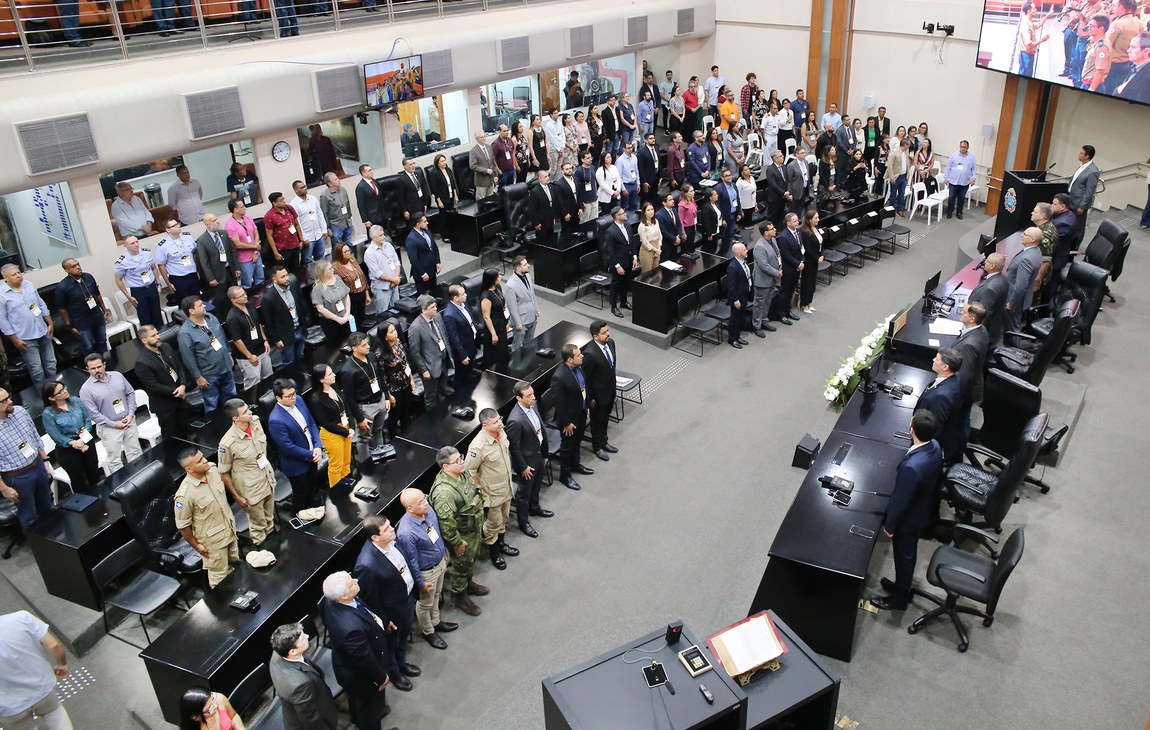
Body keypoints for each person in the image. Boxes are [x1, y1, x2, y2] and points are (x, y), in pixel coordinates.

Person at [870, 409, 944, 612]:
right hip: (923, 508)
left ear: (911, 429)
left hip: (908, 520)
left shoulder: (911, 467)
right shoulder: (935, 447)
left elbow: (901, 500)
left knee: (904, 557)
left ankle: (899, 598)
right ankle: (900, 586)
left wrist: (890, 525)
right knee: (906, 556)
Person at [353, 516, 421, 692]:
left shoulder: (393, 540)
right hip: (391, 613)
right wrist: (384, 619)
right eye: (387, 529)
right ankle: (394, 672)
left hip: (407, 599)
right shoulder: (367, 565)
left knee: (404, 636)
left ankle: (402, 662)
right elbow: (369, 598)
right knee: (391, 645)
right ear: (375, 538)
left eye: (390, 525)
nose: (392, 529)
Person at [320, 571, 392, 730]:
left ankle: (358, 718)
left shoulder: (331, 601)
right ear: (343, 597)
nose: (356, 580)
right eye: (351, 583)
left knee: (357, 703)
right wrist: (381, 678)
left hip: (346, 665)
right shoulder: (350, 628)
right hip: (362, 677)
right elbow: (364, 659)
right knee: (371, 713)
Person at [428, 446, 489, 616]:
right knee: (461, 565)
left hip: (473, 527)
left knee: (471, 560)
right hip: (461, 536)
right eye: (457, 461)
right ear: (445, 467)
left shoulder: (462, 473)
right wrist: (457, 542)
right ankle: (459, 596)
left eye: (461, 458)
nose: (461, 462)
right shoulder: (444, 492)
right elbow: (446, 523)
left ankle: (469, 584)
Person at [394, 487, 457, 648]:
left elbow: (437, 533)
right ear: (410, 508)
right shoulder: (407, 532)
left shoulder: (428, 512)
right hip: (426, 572)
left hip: (440, 562)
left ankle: (436, 621)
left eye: (424, 498)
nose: (426, 502)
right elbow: (412, 561)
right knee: (425, 603)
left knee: (437, 594)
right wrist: (420, 583)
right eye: (421, 502)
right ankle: (428, 631)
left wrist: (444, 551)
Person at [174, 447, 240, 589]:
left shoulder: (212, 470)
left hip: (229, 528)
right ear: (189, 469)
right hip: (213, 541)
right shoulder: (184, 495)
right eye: (199, 461)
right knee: (219, 578)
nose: (205, 461)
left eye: (203, 457)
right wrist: (197, 546)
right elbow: (183, 526)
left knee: (235, 566)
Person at [217, 398, 276, 547]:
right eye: (245, 412)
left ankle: (273, 545)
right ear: (235, 418)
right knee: (258, 525)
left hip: (267, 477)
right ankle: (261, 548)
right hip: (250, 488)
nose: (250, 412)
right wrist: (237, 497)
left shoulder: (255, 422)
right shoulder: (227, 443)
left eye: (248, 409)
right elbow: (224, 474)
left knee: (270, 517)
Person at [464, 409, 519, 570]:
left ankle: (501, 543)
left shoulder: (501, 433)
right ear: (485, 425)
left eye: (500, 419)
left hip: (506, 486)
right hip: (492, 493)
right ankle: (494, 551)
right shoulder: (478, 446)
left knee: (504, 517)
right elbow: (469, 471)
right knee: (493, 524)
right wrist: (481, 490)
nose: (500, 423)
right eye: (495, 422)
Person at [0, 610, 73, 729]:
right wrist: (62, 664)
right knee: (55, 714)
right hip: (42, 689)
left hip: (9, 707)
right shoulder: (21, 617)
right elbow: (54, 646)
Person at [267, 378, 326, 522]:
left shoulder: (299, 400)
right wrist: (310, 454)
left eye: (294, 393)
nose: (293, 397)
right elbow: (287, 447)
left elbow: (311, 423)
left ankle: (312, 515)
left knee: (313, 488)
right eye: (289, 396)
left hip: (313, 454)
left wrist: (318, 445)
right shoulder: (275, 419)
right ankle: (297, 520)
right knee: (301, 494)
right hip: (297, 463)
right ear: (278, 398)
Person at [504, 381, 552, 540]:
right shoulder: (515, 420)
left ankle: (535, 508)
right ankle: (523, 522)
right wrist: (523, 467)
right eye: (529, 395)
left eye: (533, 393)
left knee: (537, 486)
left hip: (538, 455)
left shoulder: (533, 405)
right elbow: (514, 448)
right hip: (526, 464)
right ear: (519, 398)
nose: (533, 397)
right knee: (523, 494)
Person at [79, 353, 142, 473]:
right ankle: (123, 487)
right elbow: (93, 414)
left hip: (128, 420)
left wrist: (130, 414)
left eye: (99, 366)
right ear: (87, 369)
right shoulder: (86, 389)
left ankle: (140, 475)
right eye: (93, 368)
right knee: (115, 460)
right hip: (109, 428)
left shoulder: (117, 376)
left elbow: (130, 393)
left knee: (135, 451)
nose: (97, 370)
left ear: (104, 364)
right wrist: (115, 424)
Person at [0, 389, 54, 529]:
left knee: (47, 507)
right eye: (4, 400)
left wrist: (46, 460)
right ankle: (39, 546)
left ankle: (55, 542)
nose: (10, 401)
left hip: (38, 465)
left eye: (9, 397)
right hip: (17, 477)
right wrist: (4, 488)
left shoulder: (19, 411)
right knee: (29, 516)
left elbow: (35, 436)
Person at [268, 623, 339, 730]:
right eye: (302, 639)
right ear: (292, 651)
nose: (307, 636)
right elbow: (310, 719)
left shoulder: (278, 652)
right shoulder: (300, 684)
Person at [341, 331, 395, 463]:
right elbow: (349, 398)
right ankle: (366, 465)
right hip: (365, 407)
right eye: (363, 345)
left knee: (379, 431)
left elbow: (380, 377)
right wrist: (360, 419)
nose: (368, 346)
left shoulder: (371, 356)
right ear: (354, 348)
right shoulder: (348, 370)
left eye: (367, 343)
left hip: (380, 399)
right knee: (364, 439)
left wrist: (386, 396)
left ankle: (381, 459)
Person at [177, 296, 236, 416]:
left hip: (226, 366)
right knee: (212, 405)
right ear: (191, 311)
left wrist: (229, 353)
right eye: (200, 305)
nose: (204, 306)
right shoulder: (185, 333)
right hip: (209, 375)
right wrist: (198, 377)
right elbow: (188, 358)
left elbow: (222, 337)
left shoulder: (211, 318)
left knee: (232, 400)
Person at [0, 264, 57, 389]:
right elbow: (2, 321)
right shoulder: (2, 295)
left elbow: (41, 304)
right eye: (14, 274)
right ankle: (44, 394)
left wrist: (50, 323)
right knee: (37, 369)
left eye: (19, 272)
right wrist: (15, 340)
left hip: (43, 331)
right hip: (25, 337)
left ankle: (55, 389)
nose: (18, 276)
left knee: (51, 364)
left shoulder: (28, 285)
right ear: (5, 277)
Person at [41, 381, 100, 494]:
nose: (65, 391)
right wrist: (74, 442)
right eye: (60, 391)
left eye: (64, 387)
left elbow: (87, 420)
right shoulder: (48, 414)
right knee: (78, 480)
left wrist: (82, 439)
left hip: (86, 440)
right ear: (52, 398)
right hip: (68, 451)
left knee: (94, 474)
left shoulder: (76, 401)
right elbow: (57, 436)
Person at [133, 324, 191, 438]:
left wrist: (183, 385)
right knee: (171, 437)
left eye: (157, 334)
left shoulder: (166, 347)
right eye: (153, 335)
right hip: (165, 406)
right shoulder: (142, 362)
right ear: (144, 340)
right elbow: (153, 386)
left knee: (186, 431)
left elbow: (179, 367)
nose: (158, 337)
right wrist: (176, 392)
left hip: (181, 399)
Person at [552, 343, 594, 490]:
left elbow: (584, 387)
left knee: (577, 443)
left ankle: (576, 465)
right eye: (578, 355)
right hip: (569, 421)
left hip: (581, 413)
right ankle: (565, 475)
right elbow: (559, 404)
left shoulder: (579, 368)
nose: (582, 356)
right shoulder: (559, 377)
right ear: (570, 359)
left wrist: (586, 406)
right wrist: (566, 423)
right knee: (567, 447)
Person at [951, 302, 990, 453]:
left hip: (965, 392)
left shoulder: (968, 345)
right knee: (963, 420)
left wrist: (954, 399)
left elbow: (963, 376)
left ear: (972, 318)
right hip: (975, 385)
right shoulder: (981, 330)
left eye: (964, 312)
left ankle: (955, 455)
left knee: (958, 423)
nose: (961, 312)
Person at [916, 348, 965, 464]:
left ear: (945, 367)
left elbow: (935, 427)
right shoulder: (956, 377)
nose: (933, 360)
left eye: (937, 359)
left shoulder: (941, 397)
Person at [308, 364, 354, 488]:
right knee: (336, 466)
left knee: (346, 462)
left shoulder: (334, 386)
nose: (334, 375)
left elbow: (345, 405)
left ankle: (347, 486)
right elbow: (326, 424)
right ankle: (337, 492)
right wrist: (345, 432)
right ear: (321, 380)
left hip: (345, 428)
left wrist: (350, 425)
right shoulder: (316, 399)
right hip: (332, 434)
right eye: (329, 374)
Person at [223, 287, 272, 401]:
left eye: (244, 293)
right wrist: (249, 356)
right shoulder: (232, 317)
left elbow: (258, 324)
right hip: (248, 356)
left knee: (269, 376)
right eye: (241, 295)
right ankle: (252, 403)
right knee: (253, 381)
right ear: (233, 300)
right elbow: (237, 340)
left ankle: (270, 399)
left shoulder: (250, 305)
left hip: (261, 348)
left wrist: (265, 340)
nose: (245, 296)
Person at [580, 320, 620, 460]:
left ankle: (605, 441)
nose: (607, 334)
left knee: (605, 419)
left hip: (610, 391)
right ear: (595, 336)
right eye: (604, 333)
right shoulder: (589, 354)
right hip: (597, 396)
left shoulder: (611, 343)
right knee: (597, 422)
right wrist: (590, 398)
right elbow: (587, 379)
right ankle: (598, 447)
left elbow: (611, 368)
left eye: (607, 331)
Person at [56, 258, 110, 357]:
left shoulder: (88, 277)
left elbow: (97, 294)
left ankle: (105, 365)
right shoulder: (63, 287)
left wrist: (104, 309)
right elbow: (62, 309)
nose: (78, 267)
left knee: (102, 342)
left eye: (78, 264)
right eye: (73, 266)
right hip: (81, 322)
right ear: (67, 270)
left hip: (97, 316)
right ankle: (91, 368)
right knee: (88, 346)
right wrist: (70, 326)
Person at [407, 295, 455, 408]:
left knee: (443, 391)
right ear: (424, 310)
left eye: (435, 306)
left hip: (443, 361)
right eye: (432, 307)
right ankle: (434, 421)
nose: (435, 309)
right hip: (429, 367)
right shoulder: (415, 327)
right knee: (431, 397)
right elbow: (415, 352)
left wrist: (449, 356)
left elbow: (444, 337)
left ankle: (444, 415)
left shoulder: (437, 317)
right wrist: (423, 370)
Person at [261, 265, 311, 366]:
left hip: (300, 329)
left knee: (301, 356)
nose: (287, 278)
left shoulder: (293, 283)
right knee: (289, 362)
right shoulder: (268, 298)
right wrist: (276, 340)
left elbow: (301, 302)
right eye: (282, 277)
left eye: (287, 275)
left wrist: (305, 321)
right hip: (285, 337)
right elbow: (268, 322)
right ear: (274, 279)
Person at [114, 236, 163, 329]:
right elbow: (118, 280)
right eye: (132, 243)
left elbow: (154, 268)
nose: (136, 245)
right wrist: (128, 296)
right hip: (138, 291)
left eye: (137, 242)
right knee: (145, 319)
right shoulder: (122, 261)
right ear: (125, 245)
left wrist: (158, 284)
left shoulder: (147, 253)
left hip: (152, 287)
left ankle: (161, 336)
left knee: (157, 315)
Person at [194, 213, 240, 315]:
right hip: (217, 276)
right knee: (222, 300)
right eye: (214, 220)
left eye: (216, 219)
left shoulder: (223, 233)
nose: (217, 221)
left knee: (235, 295)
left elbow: (232, 251)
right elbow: (204, 262)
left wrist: (237, 267)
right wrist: (210, 278)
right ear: (207, 224)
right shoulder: (202, 240)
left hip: (230, 270)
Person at [378, 320, 417, 434]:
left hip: (406, 383)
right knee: (395, 415)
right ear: (385, 337)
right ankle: (394, 438)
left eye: (395, 330)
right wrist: (388, 395)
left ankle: (408, 435)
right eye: (391, 332)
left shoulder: (398, 343)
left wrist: (411, 378)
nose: (395, 333)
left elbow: (405, 362)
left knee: (407, 411)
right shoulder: (380, 354)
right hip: (393, 389)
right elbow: (382, 376)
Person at [1005, 227, 1044, 337]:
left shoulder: (1026, 259)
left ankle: (1014, 352)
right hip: (1022, 298)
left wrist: (1011, 304)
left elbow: (1020, 286)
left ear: (1032, 240)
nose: (1022, 235)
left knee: (1012, 329)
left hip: (1014, 300)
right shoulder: (1036, 251)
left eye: (1025, 234)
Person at [156, 219, 202, 303]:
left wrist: (199, 271)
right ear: (168, 229)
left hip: (192, 275)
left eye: (178, 224)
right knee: (184, 303)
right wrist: (168, 283)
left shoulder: (188, 237)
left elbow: (195, 254)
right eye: (174, 225)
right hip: (178, 278)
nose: (178, 226)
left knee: (197, 302)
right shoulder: (163, 245)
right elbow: (161, 265)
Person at [442, 284, 479, 386]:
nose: (466, 295)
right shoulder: (449, 315)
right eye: (463, 294)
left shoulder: (463, 304)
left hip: (471, 343)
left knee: (470, 372)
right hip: (463, 351)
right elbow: (454, 338)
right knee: (461, 376)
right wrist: (463, 356)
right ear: (455, 298)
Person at [969, 252, 1010, 344]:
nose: (984, 263)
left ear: (992, 266)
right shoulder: (1003, 279)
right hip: (996, 325)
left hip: (987, 333)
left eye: (986, 262)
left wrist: (973, 333)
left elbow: (984, 315)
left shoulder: (989, 289)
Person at [310, 260, 353, 344]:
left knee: (349, 341)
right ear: (323, 272)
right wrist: (338, 319)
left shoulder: (337, 278)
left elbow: (346, 295)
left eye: (332, 267)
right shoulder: (317, 288)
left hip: (345, 317)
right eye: (330, 269)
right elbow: (320, 309)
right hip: (330, 322)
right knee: (336, 345)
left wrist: (347, 313)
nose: (333, 269)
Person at [771, 213, 804, 324]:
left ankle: (787, 310)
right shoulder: (783, 237)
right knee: (784, 292)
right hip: (789, 268)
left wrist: (802, 261)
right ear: (788, 223)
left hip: (797, 267)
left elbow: (801, 248)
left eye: (797, 220)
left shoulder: (798, 232)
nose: (797, 222)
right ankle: (781, 314)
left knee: (791, 291)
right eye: (794, 221)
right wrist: (798, 264)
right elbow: (786, 254)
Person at [605, 206, 637, 319]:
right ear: (617, 216)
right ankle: (613, 306)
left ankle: (624, 302)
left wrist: (634, 257)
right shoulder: (610, 231)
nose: (626, 214)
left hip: (628, 260)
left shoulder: (627, 226)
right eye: (623, 213)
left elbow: (632, 243)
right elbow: (610, 252)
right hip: (618, 262)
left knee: (625, 282)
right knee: (615, 284)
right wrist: (617, 266)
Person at [225, 200, 264, 292]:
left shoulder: (248, 218)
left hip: (256, 255)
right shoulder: (230, 225)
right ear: (236, 210)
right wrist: (255, 247)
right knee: (247, 284)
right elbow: (237, 244)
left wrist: (255, 251)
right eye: (242, 206)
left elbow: (256, 233)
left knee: (261, 280)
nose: (244, 208)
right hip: (244, 260)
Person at [504, 255, 541, 353]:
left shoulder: (527, 276)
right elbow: (512, 307)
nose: (528, 265)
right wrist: (518, 323)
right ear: (518, 268)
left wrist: (536, 309)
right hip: (522, 321)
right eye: (525, 264)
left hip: (532, 316)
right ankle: (514, 364)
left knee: (529, 343)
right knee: (517, 345)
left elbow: (532, 294)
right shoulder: (510, 285)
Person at [751, 221, 782, 334]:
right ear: (765, 232)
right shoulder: (759, 246)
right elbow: (764, 266)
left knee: (768, 301)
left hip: (772, 278)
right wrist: (777, 273)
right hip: (763, 280)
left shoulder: (773, 240)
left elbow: (778, 255)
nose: (775, 229)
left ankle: (764, 320)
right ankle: (756, 326)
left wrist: (779, 269)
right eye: (772, 228)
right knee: (759, 304)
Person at [290, 180, 329, 269]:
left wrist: (324, 230)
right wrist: (303, 238)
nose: (305, 189)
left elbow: (320, 215)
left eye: (305, 186)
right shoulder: (294, 205)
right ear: (296, 190)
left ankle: (322, 277)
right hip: (308, 237)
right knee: (307, 261)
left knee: (321, 258)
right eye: (301, 188)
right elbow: (297, 223)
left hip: (318, 235)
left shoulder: (313, 199)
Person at [478, 269, 511, 372]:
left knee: (503, 350)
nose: (500, 278)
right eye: (498, 276)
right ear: (492, 279)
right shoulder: (486, 296)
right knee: (495, 354)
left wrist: (506, 322)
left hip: (501, 324)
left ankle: (502, 370)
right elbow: (486, 317)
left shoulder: (498, 288)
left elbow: (502, 306)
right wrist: (493, 334)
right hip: (493, 328)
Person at [331, 242, 370, 330]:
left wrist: (367, 293)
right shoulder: (335, 268)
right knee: (354, 323)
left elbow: (362, 277)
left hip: (362, 294)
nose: (348, 253)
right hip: (350, 298)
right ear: (339, 254)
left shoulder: (352, 260)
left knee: (362, 319)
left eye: (349, 250)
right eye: (345, 252)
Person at [1067, 144, 1100, 247]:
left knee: (1077, 228)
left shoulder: (1093, 171)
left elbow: (1090, 191)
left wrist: (1082, 206)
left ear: (1087, 156)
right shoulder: (1081, 166)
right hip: (1071, 200)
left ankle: (1075, 247)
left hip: (1079, 204)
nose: (1079, 154)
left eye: (1081, 153)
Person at [725, 242, 754, 348]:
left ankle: (737, 336)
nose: (747, 251)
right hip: (737, 297)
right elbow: (731, 287)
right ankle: (732, 339)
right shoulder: (733, 267)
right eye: (744, 250)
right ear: (738, 253)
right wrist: (735, 300)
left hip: (745, 294)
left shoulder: (743, 262)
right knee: (734, 318)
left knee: (740, 317)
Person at [405, 213, 440, 297]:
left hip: (432, 269)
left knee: (434, 293)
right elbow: (413, 259)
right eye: (424, 221)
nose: (427, 223)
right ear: (418, 224)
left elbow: (434, 247)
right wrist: (423, 273)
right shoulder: (411, 239)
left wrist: (438, 262)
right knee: (424, 298)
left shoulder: (427, 231)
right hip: (422, 273)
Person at [178, 687, 245, 730]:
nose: (215, 706)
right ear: (195, 717)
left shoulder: (219, 699)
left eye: (213, 700)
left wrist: (240, 728)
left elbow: (233, 716)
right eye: (209, 709)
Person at [799, 210, 825, 314]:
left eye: (818, 217)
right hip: (809, 261)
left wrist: (822, 254)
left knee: (813, 283)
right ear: (810, 220)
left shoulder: (816, 229)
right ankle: (804, 304)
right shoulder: (805, 232)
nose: (818, 220)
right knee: (807, 283)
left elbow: (821, 243)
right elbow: (808, 249)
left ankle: (809, 302)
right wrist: (817, 258)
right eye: (816, 218)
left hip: (816, 260)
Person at [318, 173, 353, 248]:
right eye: (335, 180)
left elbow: (348, 204)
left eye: (338, 178)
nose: (338, 180)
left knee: (349, 246)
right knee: (338, 248)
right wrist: (327, 228)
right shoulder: (324, 195)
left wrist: (350, 217)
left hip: (347, 222)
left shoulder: (343, 190)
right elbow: (324, 213)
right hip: (335, 225)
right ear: (330, 183)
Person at [944, 140, 976, 219]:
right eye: (961, 147)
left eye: (965, 147)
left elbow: (974, 169)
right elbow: (948, 167)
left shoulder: (971, 157)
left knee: (961, 198)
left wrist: (973, 178)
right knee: (951, 197)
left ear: (967, 147)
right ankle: (950, 211)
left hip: (964, 182)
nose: (963, 148)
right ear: (959, 146)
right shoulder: (953, 155)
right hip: (953, 181)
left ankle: (959, 212)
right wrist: (946, 178)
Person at [528, 169, 560, 245]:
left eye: (548, 176)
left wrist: (555, 217)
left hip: (551, 220)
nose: (548, 178)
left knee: (553, 241)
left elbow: (554, 203)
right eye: (545, 177)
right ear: (540, 179)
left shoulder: (551, 187)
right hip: (541, 222)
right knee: (543, 243)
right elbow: (532, 209)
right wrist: (536, 223)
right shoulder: (535, 192)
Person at [1116, 32, 1150, 102]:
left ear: (1146, 51)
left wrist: (1118, 90)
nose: (1128, 51)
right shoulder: (1134, 68)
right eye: (1129, 47)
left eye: (1133, 47)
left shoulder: (1147, 76)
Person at [1051, 193, 1079, 276]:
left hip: (1056, 261)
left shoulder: (1063, 224)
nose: (1051, 205)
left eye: (1054, 204)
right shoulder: (1070, 214)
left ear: (1063, 207)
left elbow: (1052, 244)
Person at [715, 167, 740, 254]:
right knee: (724, 236)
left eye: (730, 175)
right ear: (722, 178)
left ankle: (728, 251)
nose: (729, 177)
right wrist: (722, 218)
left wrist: (739, 211)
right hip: (725, 216)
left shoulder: (734, 185)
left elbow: (737, 199)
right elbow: (717, 205)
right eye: (726, 176)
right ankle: (723, 253)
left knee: (730, 234)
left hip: (733, 213)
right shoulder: (719, 188)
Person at [355, 164, 387, 232]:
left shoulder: (374, 182)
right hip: (372, 218)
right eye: (369, 170)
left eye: (371, 170)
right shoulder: (360, 187)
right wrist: (365, 220)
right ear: (363, 173)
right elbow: (361, 205)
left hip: (381, 215)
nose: (372, 172)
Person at [885, 138, 911, 217]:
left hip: (903, 176)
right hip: (896, 176)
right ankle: (891, 209)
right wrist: (892, 177)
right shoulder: (894, 152)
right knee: (893, 193)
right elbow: (890, 165)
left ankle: (900, 209)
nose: (908, 147)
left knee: (901, 193)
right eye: (908, 145)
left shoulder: (905, 152)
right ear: (905, 145)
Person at [636, 202, 662, 273]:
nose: (651, 211)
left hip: (657, 248)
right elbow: (645, 242)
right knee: (647, 273)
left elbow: (660, 236)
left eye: (652, 209)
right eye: (648, 210)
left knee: (656, 272)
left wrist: (658, 249)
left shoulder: (656, 221)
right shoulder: (642, 225)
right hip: (647, 250)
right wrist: (655, 250)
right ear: (644, 212)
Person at [491, 123, 517, 189]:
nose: (506, 132)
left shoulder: (510, 140)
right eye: (504, 131)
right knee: (502, 189)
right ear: (499, 132)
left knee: (511, 188)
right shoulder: (496, 144)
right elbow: (492, 158)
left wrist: (514, 164)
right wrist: (497, 169)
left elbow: (513, 152)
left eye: (507, 131)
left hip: (511, 169)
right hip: (503, 172)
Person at [679, 184, 698, 253]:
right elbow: (680, 220)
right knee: (686, 248)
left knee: (691, 246)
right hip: (686, 229)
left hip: (693, 226)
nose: (693, 192)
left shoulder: (692, 201)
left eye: (693, 190)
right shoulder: (682, 205)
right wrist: (683, 233)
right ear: (686, 193)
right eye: (691, 191)